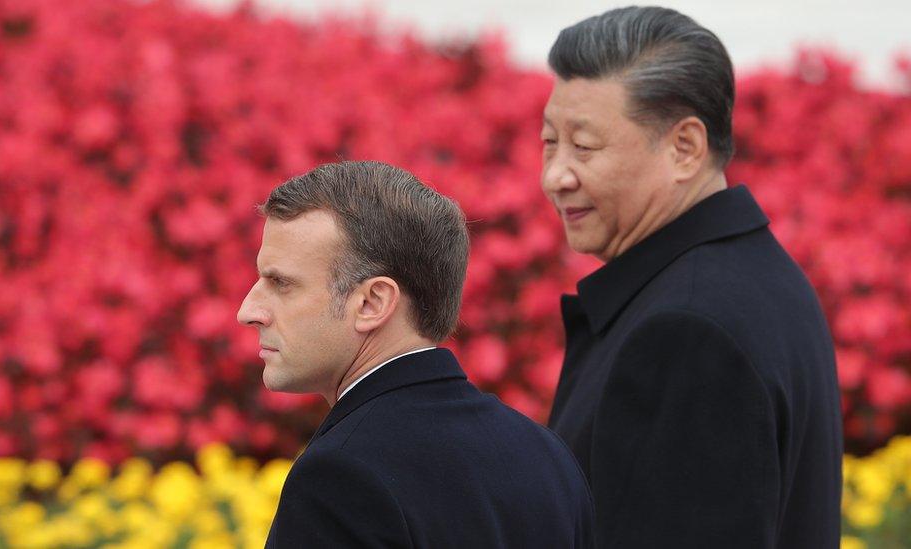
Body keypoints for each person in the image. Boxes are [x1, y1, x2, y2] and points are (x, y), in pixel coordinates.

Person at [540, 7, 842, 549]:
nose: (555, 175)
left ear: (684, 148)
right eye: (548, 141)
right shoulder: (758, 275)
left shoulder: (686, 332)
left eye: (583, 146)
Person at [238, 160, 594, 548]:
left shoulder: (341, 474)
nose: (249, 311)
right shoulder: (545, 455)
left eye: (281, 283)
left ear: (372, 302)